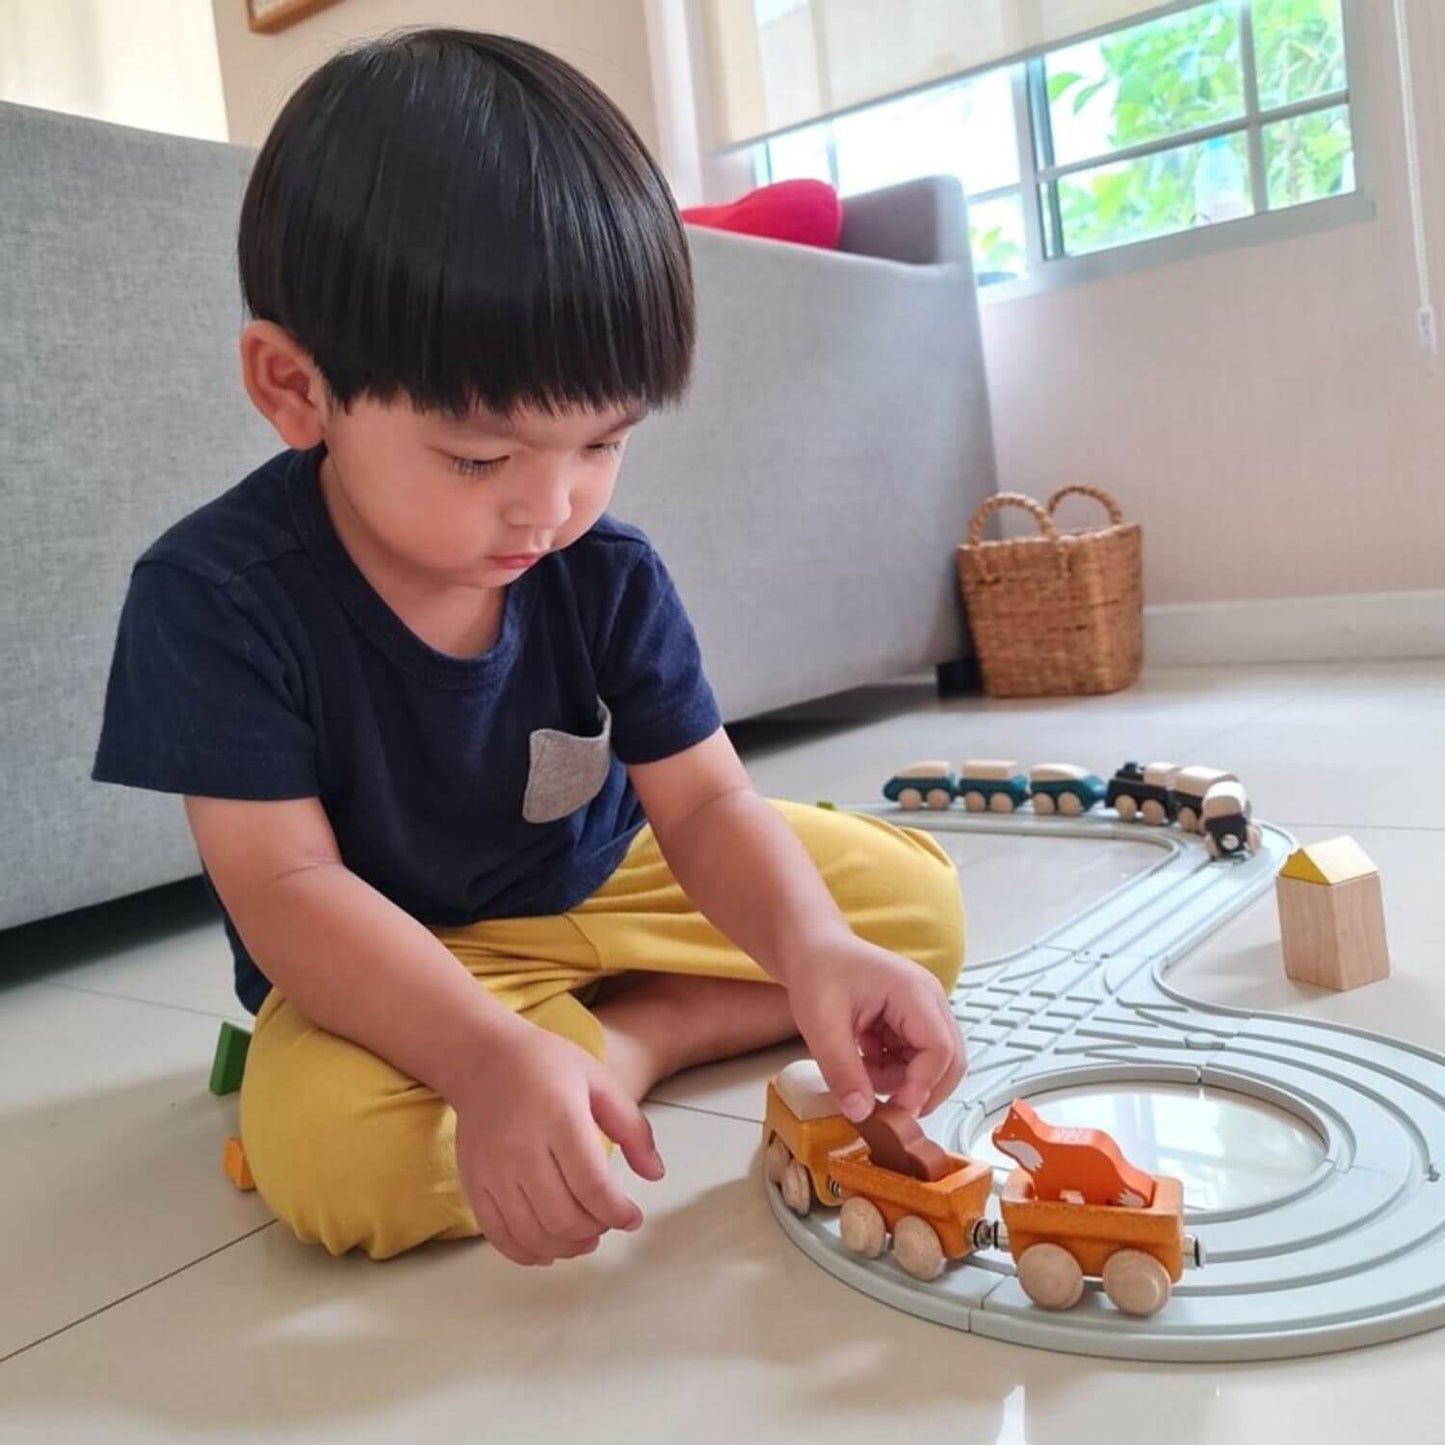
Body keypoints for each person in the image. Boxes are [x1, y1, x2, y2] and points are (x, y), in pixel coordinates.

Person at [92, 29, 966, 1265]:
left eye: (601, 444)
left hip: (609, 880)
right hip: (395, 953)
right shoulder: (215, 596)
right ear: (295, 387)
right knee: (345, 1161)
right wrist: (481, 1052)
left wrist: (814, 946)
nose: (549, 508)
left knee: (908, 916)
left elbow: (705, 801)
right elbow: (286, 891)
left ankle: (631, 1041)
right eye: (480, 457)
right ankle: (548, 1052)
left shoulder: (602, 570)